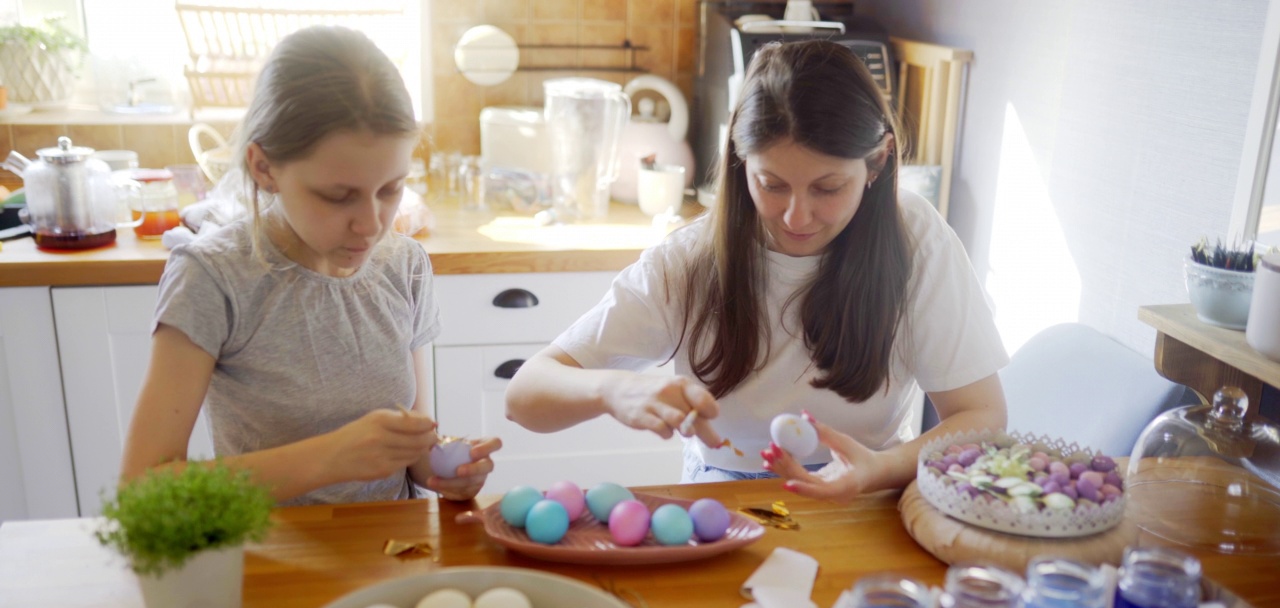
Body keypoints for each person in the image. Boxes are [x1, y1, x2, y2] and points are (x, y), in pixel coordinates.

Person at [504, 40, 1007, 502]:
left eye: (828, 188)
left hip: (872, 483)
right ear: (741, 163)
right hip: (723, 490)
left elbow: (981, 417)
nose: (796, 217)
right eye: (772, 184)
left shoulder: (914, 236)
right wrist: (611, 389)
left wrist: (880, 468)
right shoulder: (691, 258)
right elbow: (524, 396)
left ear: (876, 164)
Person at [121, 26, 500, 504]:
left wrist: (448, 467)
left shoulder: (405, 266)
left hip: (393, 553)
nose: (370, 225)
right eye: (338, 196)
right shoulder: (213, 277)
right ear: (264, 168)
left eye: (390, 190)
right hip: (275, 561)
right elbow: (143, 489)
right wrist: (329, 458)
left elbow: (415, 453)